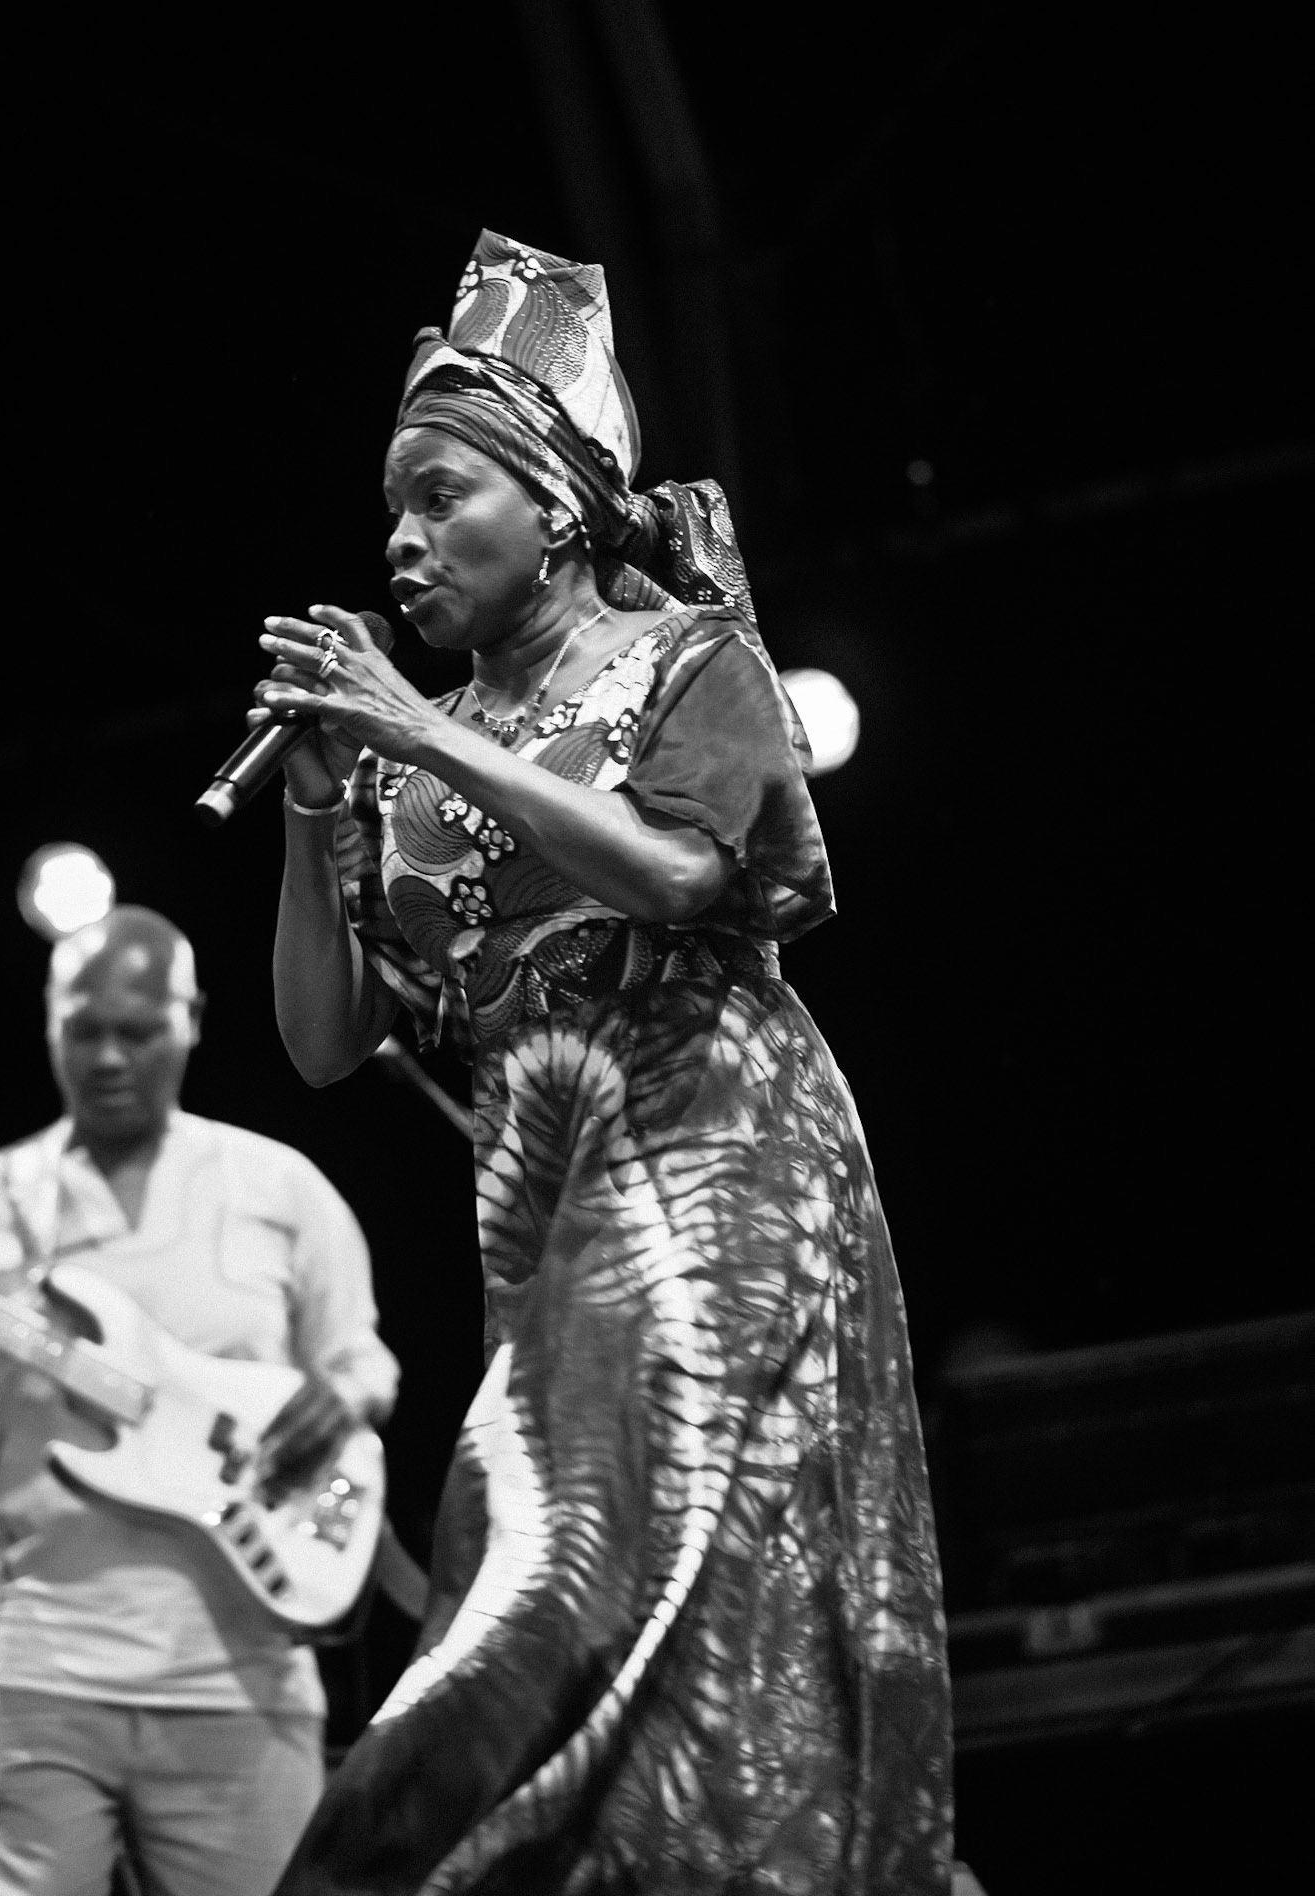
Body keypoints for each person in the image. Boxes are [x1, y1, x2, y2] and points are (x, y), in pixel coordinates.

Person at [259, 231, 953, 1893]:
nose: (403, 540)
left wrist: (414, 727)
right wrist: (312, 794)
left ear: (555, 504)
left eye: (440, 495)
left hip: (724, 1146)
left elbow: (679, 874)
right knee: (597, 1544)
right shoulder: (407, 768)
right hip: (556, 1205)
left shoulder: (681, 659)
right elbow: (322, 1035)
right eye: (395, 509)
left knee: (602, 1550)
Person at [0, 905, 400, 1896]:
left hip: (241, 1679)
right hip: (35, 1667)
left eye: (139, 1029)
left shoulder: (281, 1186)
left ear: (194, 1017)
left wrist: (339, 1396)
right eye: (84, 1028)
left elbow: (365, 1362)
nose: (108, 1056)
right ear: (49, 1020)